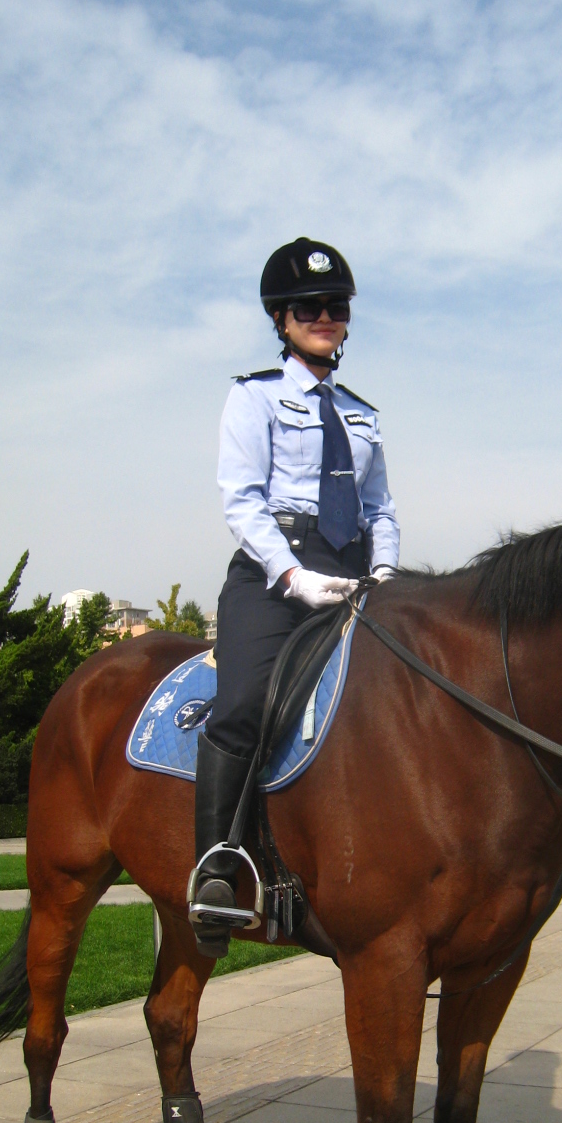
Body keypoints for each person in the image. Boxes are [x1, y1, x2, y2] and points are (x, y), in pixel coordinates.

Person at [189, 238, 400, 954]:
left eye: (335, 307)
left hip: (354, 574)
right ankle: (216, 870)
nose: (325, 317)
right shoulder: (253, 396)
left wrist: (389, 574)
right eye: (309, 308)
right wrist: (292, 575)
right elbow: (242, 502)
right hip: (273, 575)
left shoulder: (364, 414)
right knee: (245, 704)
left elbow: (381, 510)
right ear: (282, 319)